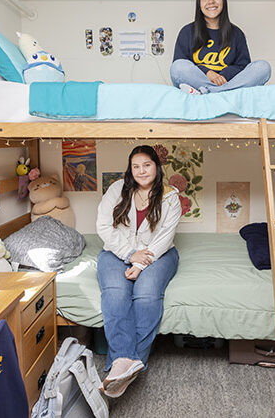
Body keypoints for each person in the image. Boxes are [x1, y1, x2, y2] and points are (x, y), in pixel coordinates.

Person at [95, 145, 182, 398]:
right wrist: (128, 254)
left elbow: (164, 238)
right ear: (130, 169)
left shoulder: (170, 197)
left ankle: (123, 367)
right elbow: (103, 226)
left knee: (145, 296)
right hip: (116, 252)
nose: (141, 171)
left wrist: (140, 264)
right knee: (115, 295)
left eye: (147, 165)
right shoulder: (116, 190)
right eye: (136, 166)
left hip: (158, 255)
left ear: (156, 166)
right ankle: (127, 362)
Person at [171, 0, 271, 94]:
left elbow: (243, 66)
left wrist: (223, 75)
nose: (211, 1)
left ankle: (209, 92)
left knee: (263, 67)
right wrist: (208, 73)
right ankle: (222, 92)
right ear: (199, 4)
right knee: (178, 67)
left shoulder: (236, 34)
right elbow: (179, 66)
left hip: (228, 82)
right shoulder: (187, 31)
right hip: (199, 81)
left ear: (223, 0)